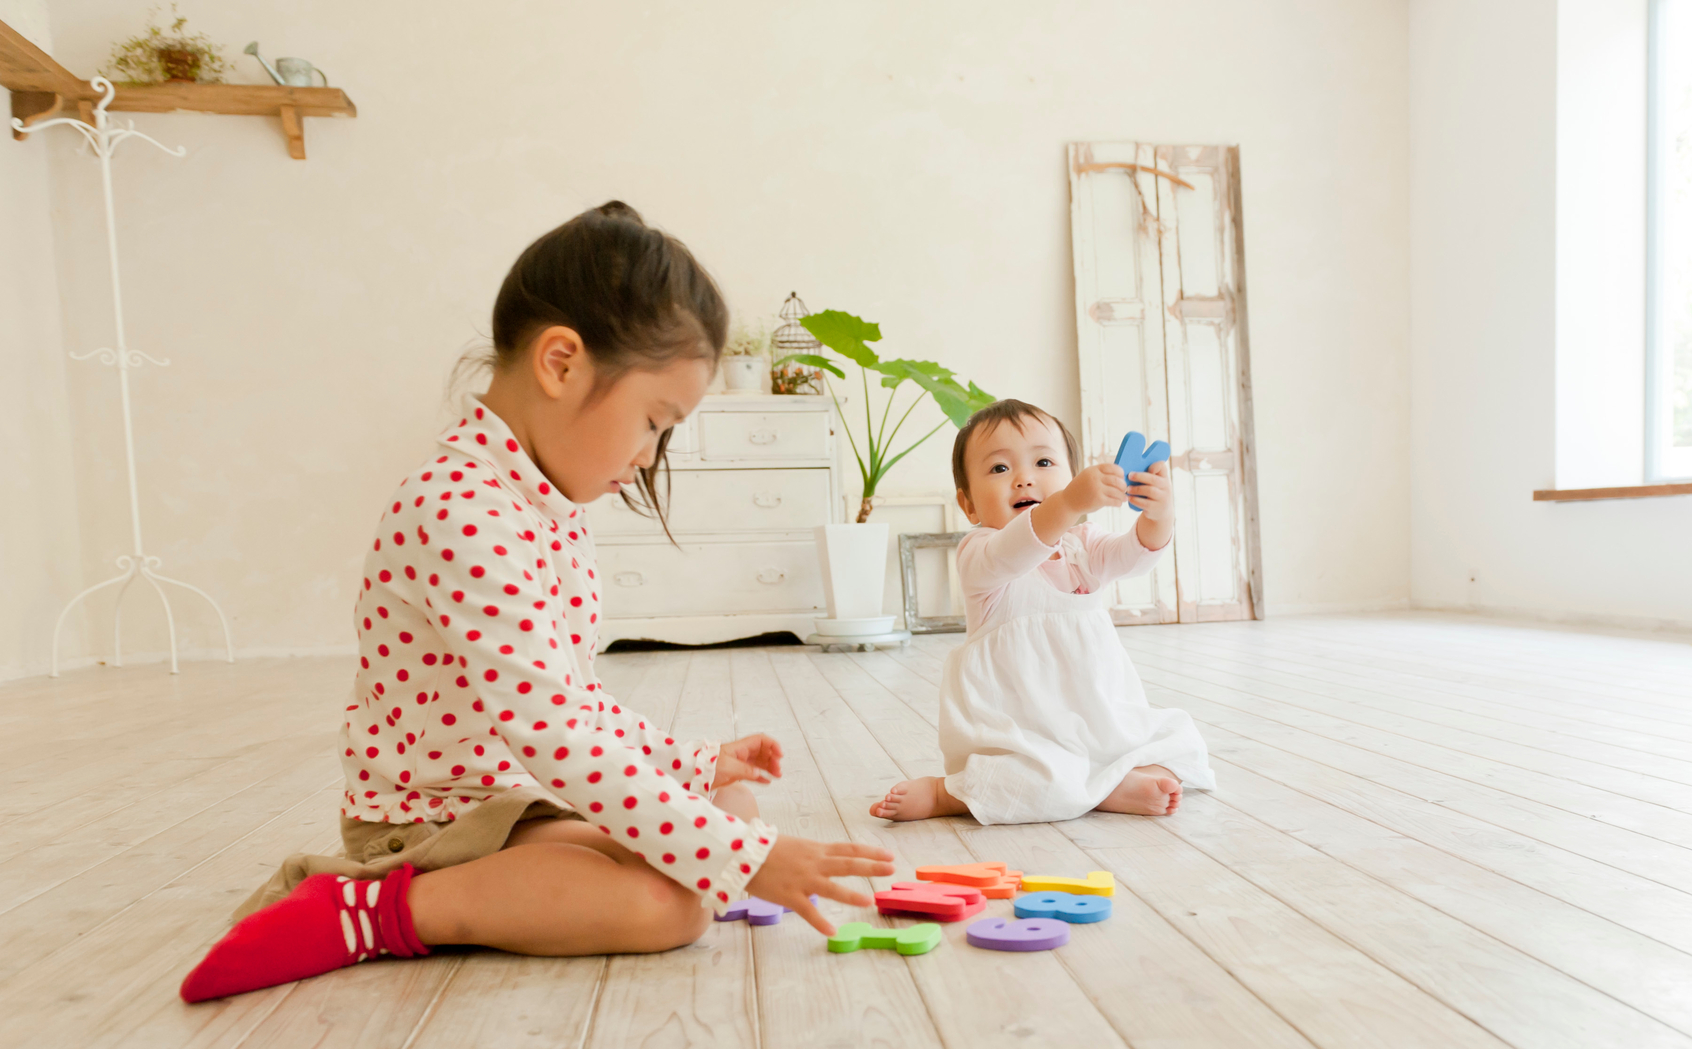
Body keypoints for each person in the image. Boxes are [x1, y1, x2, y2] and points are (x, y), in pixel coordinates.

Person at [181, 202, 892, 1003]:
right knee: (670, 907)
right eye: (654, 423)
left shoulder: (540, 505)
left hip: (516, 798)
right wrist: (745, 858)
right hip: (431, 821)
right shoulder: (458, 510)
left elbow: (573, 699)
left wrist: (691, 766)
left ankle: (649, 853)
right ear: (561, 363)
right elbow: (553, 732)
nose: (647, 457)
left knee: (727, 812)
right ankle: (372, 905)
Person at [869, 399, 1214, 825]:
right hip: (1021, 731)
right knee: (1029, 776)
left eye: (1044, 461)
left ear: (1071, 476)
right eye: (999, 469)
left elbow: (1135, 555)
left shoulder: (1082, 544)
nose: (1023, 479)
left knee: (1178, 742)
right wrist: (1067, 503)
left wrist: (1160, 514)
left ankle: (1107, 779)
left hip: (1095, 714)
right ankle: (948, 794)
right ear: (969, 505)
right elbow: (1016, 548)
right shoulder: (980, 553)